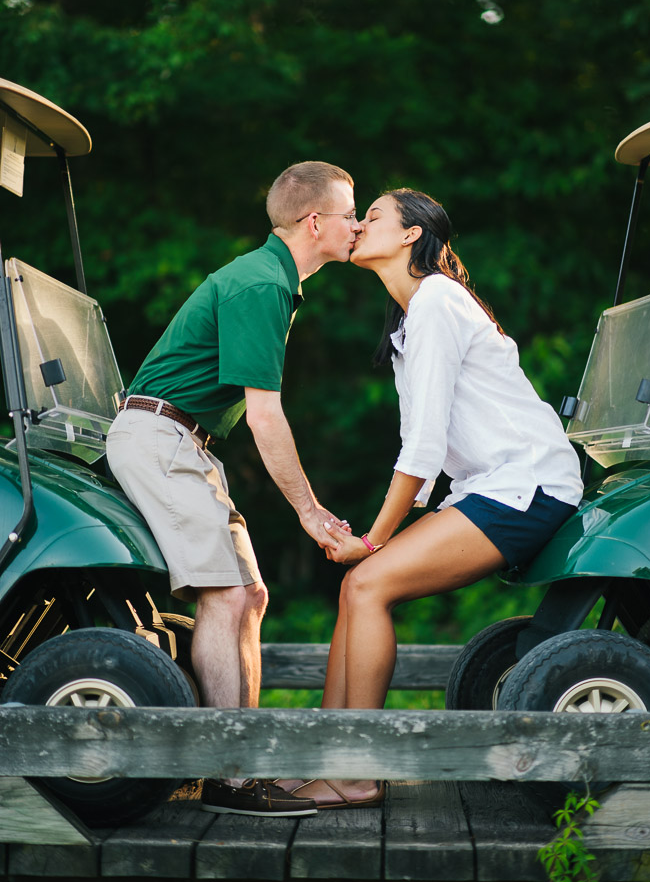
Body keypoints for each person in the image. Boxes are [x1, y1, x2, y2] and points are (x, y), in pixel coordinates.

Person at [286, 188, 583, 809]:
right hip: (491, 488)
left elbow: (422, 448)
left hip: (525, 487)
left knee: (368, 583)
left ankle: (355, 773)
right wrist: (377, 540)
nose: (359, 224)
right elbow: (422, 449)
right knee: (357, 586)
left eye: (372, 216)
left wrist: (373, 538)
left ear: (410, 236)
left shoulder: (437, 304)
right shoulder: (412, 315)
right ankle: (327, 756)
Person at [106, 160, 360, 817]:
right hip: (159, 439)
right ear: (314, 222)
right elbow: (266, 413)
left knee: (249, 594)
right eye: (349, 213)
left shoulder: (274, 279)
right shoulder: (259, 284)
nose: (357, 225)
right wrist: (308, 510)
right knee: (225, 595)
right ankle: (229, 779)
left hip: (183, 443)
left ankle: (240, 761)